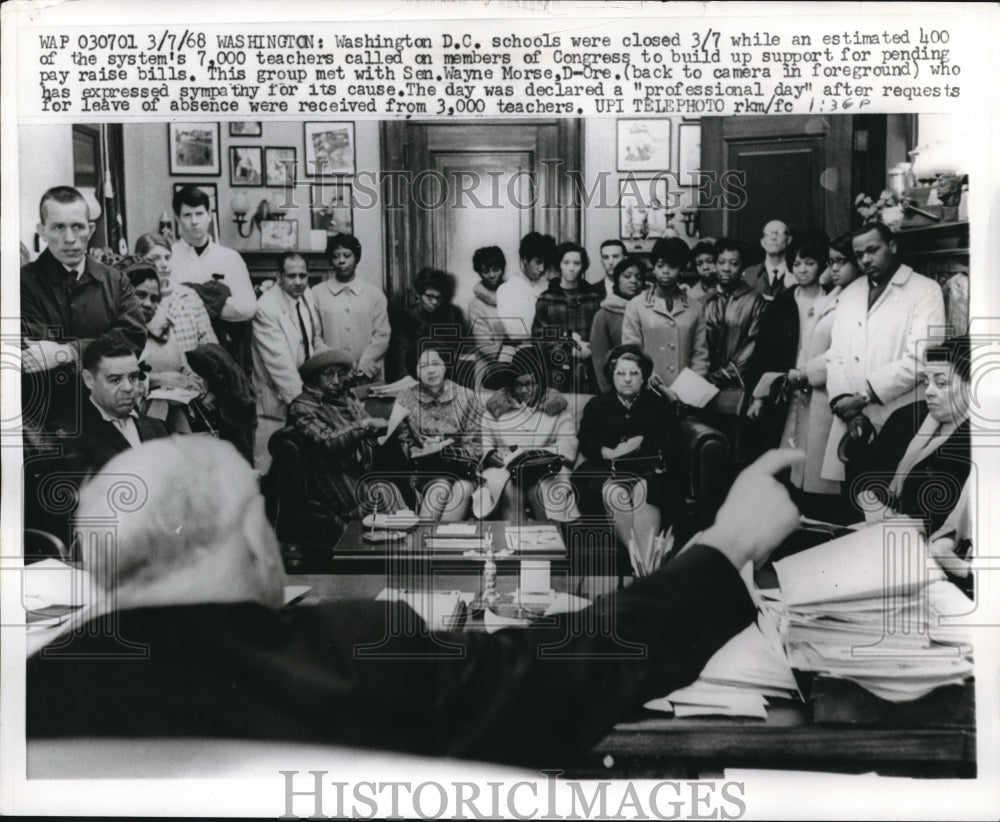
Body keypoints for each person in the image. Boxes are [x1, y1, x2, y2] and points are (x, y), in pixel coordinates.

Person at [27, 433, 804, 767]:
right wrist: (727, 543)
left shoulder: (35, 690)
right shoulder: (361, 653)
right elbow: (568, 668)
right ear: (249, 537)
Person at [824, 222, 946, 483]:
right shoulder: (850, 294)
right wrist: (844, 400)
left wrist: (864, 396)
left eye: (872, 250)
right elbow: (835, 355)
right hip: (853, 419)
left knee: (890, 497)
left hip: (902, 415)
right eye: (859, 255)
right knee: (855, 500)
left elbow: (922, 357)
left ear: (891, 247)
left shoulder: (925, 290)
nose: (865, 259)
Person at [21, 187, 147, 427]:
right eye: (58, 227)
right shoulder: (21, 283)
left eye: (77, 226)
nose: (69, 238)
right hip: (47, 421)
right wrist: (102, 346)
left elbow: (133, 338)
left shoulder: (115, 280)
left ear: (91, 230)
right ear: (42, 231)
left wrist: (65, 352)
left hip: (110, 416)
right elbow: (35, 353)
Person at [848, 335, 971, 535]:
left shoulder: (980, 444)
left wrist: (896, 524)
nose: (929, 392)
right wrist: (869, 500)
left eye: (941, 383)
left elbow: (959, 523)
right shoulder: (910, 416)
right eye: (926, 381)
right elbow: (863, 465)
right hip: (878, 532)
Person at [574, 345, 685, 566]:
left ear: (643, 376)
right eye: (620, 373)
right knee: (614, 490)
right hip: (606, 468)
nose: (627, 379)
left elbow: (670, 443)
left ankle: (644, 566)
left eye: (633, 373)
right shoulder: (598, 405)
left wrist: (642, 447)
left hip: (649, 470)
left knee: (644, 490)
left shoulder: (659, 405)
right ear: (611, 376)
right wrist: (607, 451)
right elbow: (587, 440)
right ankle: (639, 561)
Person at [286, 349, 402, 537]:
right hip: (334, 477)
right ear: (315, 377)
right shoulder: (303, 407)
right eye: (329, 375)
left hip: (360, 470)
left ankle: (399, 550)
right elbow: (327, 441)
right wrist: (364, 425)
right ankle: (378, 550)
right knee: (384, 494)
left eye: (340, 374)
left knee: (399, 486)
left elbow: (368, 425)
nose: (336, 380)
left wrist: (391, 425)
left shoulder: (346, 397)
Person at [479, 345, 579, 521]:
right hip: (505, 469)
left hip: (547, 469)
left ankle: (547, 542)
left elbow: (568, 443)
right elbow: (484, 441)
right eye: (518, 384)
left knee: (540, 490)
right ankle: (514, 542)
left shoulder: (557, 407)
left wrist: (542, 455)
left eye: (530, 384)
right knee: (509, 489)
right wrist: (490, 455)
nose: (524, 390)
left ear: (541, 382)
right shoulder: (497, 408)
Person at [251, 252, 327, 472]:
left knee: (300, 471)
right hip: (275, 401)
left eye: (303, 275)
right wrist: (306, 403)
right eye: (291, 275)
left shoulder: (306, 297)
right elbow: (280, 363)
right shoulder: (266, 307)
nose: (298, 281)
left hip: (304, 395)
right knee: (267, 468)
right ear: (278, 276)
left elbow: (313, 342)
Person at [393, 346, 483, 521]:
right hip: (426, 472)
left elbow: (475, 447)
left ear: (445, 365)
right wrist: (417, 450)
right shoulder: (404, 399)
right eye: (423, 366)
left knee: (462, 490)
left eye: (435, 363)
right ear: (415, 371)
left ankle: (444, 544)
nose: (431, 370)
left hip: (463, 470)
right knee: (439, 488)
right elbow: (403, 441)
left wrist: (446, 449)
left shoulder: (468, 397)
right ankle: (425, 544)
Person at [64, 330, 170, 475]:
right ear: (89, 380)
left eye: (133, 377)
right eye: (115, 380)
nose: (128, 388)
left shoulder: (158, 427)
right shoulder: (70, 437)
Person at [621, 238, 707, 392]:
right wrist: (652, 382)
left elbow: (700, 356)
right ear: (653, 268)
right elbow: (632, 352)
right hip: (647, 390)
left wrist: (691, 390)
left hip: (686, 393)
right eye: (660, 265)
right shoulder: (636, 305)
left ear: (682, 268)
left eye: (672, 266)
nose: (666, 271)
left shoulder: (696, 308)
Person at [168, 185, 256, 322]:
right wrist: (218, 299)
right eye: (187, 215)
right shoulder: (168, 258)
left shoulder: (230, 258)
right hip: (181, 337)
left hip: (222, 338)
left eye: (199, 214)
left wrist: (191, 298)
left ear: (209, 216)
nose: (194, 222)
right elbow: (165, 305)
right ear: (178, 219)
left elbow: (248, 308)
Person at [311, 233, 391, 383]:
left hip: (367, 374)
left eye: (347, 255)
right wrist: (335, 364)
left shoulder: (374, 294)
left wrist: (362, 366)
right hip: (331, 374)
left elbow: (381, 336)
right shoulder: (317, 293)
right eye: (336, 257)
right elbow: (315, 336)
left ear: (356, 258)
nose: (341, 261)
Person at [531, 241, 603, 395]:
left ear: (582, 266)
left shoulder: (593, 298)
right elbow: (540, 340)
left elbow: (602, 335)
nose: (571, 268)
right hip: (556, 374)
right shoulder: (546, 299)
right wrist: (569, 352)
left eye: (576, 263)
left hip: (589, 374)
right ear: (559, 265)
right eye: (566, 262)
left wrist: (591, 350)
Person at [126, 265, 208, 393]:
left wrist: (193, 384)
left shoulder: (164, 330)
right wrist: (158, 380)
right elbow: (111, 380)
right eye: (141, 295)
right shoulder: (113, 333)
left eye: (154, 299)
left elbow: (185, 369)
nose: (148, 304)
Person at [387, 267, 464, 382]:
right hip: (412, 381)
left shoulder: (451, 316)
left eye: (438, 297)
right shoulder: (404, 318)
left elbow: (454, 354)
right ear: (418, 294)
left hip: (444, 381)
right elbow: (401, 356)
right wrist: (407, 381)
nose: (434, 302)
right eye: (429, 296)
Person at [591, 256, 644, 393]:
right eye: (627, 276)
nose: (634, 281)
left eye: (638, 277)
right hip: (617, 390)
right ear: (617, 280)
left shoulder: (649, 310)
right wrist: (609, 394)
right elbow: (599, 359)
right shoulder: (603, 315)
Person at [495, 231, 555, 342]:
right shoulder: (506, 290)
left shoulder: (549, 287)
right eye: (538, 262)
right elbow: (515, 333)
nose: (542, 268)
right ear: (525, 259)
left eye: (545, 263)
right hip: (523, 351)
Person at [466, 246, 508, 371]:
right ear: (479, 272)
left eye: (496, 269)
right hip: (489, 368)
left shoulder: (514, 294)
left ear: (502, 268)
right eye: (485, 271)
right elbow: (485, 344)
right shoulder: (476, 305)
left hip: (520, 364)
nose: (491, 275)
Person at [742, 220, 794, 299]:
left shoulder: (796, 273)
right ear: (762, 242)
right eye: (769, 234)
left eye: (779, 233)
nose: (773, 237)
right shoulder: (749, 274)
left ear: (789, 240)